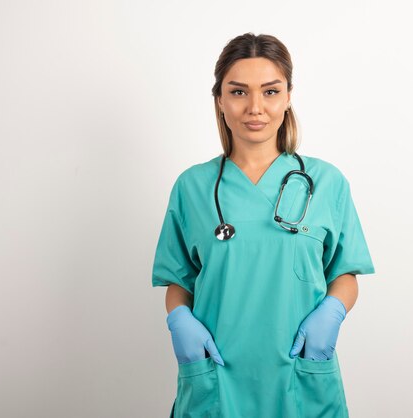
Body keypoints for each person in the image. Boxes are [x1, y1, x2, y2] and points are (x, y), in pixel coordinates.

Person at [151, 32, 375, 418]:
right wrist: (179, 320)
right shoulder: (193, 187)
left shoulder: (326, 183)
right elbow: (178, 281)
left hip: (299, 375)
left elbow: (345, 273)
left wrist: (332, 313)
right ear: (220, 100)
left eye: (270, 92)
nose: (255, 107)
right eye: (239, 92)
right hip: (217, 379)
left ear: (288, 97)